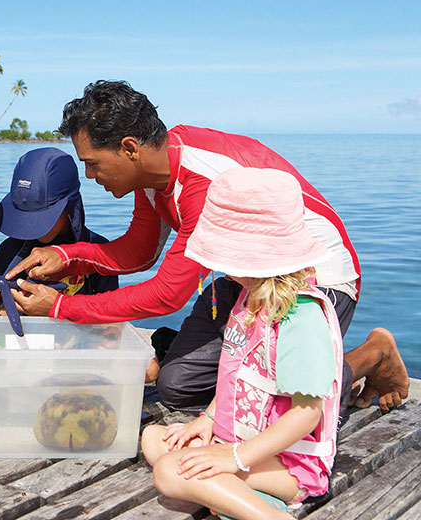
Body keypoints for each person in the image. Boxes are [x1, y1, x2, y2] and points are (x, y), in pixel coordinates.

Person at [7, 80, 408, 413]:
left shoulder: (206, 185)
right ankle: (246, 364)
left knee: (284, 407)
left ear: (130, 148)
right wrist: (66, 258)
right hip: (245, 278)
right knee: (177, 388)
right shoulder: (152, 174)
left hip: (311, 281)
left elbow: (168, 294)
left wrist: (61, 307)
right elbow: (139, 254)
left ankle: (373, 353)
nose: (91, 175)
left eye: (92, 163)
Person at [142, 167, 344, 520]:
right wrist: (206, 418)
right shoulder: (249, 297)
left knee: (169, 470)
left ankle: (270, 514)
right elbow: (239, 372)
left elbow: (306, 413)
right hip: (238, 441)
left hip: (290, 463)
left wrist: (234, 457)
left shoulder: (301, 317)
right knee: (154, 440)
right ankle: (233, 496)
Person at [0, 146, 118, 298]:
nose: (33, 228)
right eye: (26, 216)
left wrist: (54, 308)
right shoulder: (8, 250)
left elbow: (110, 314)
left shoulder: (99, 252)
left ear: (70, 206)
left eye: (41, 217)